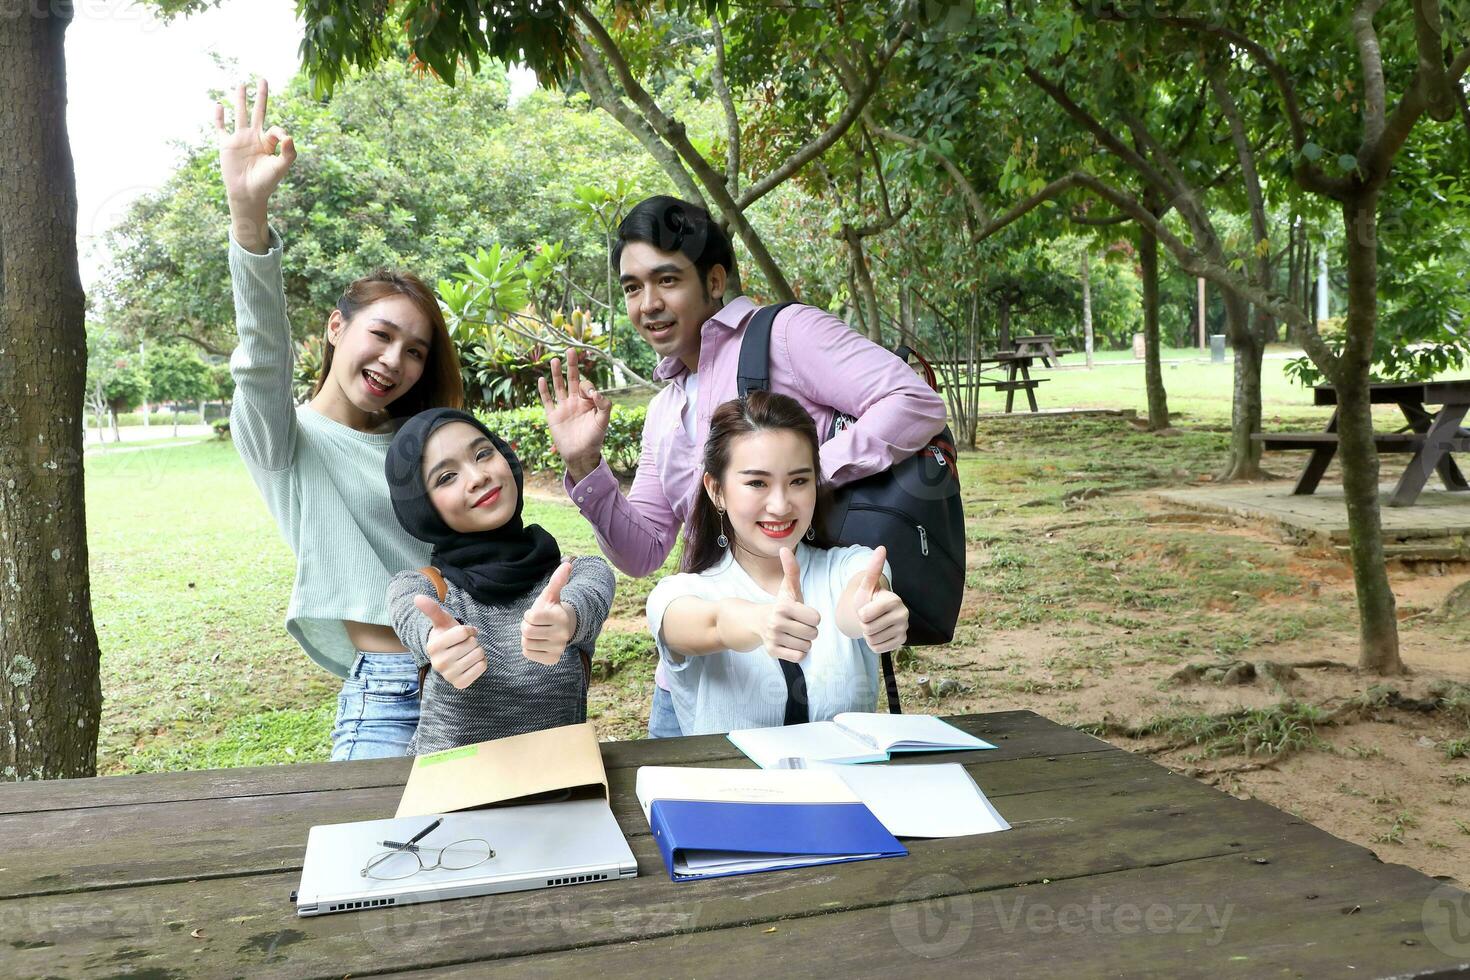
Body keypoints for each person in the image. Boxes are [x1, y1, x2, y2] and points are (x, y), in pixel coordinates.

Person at [537, 195, 946, 737]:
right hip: (700, 675)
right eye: (633, 287)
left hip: (814, 653)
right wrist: (586, 463)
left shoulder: (787, 335)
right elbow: (644, 552)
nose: (648, 304)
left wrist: (805, 475)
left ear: (713, 281)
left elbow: (913, 402)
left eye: (667, 280)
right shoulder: (666, 406)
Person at [218, 79, 464, 759]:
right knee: (373, 864)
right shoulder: (286, 445)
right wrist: (249, 214)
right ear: (335, 328)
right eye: (380, 336)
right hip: (391, 694)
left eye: (415, 352)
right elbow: (261, 356)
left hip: (479, 684)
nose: (395, 361)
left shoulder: (418, 444)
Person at [646, 392, 909, 735]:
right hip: (729, 789)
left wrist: (871, 614)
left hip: (846, 788)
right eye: (757, 482)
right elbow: (712, 623)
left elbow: (855, 605)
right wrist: (760, 619)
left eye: (799, 481)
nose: (781, 505)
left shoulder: (852, 565)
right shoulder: (680, 594)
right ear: (716, 490)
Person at [383, 410, 614, 754]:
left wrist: (565, 619)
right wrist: (435, 640)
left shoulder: (572, 577)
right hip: (452, 800)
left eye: (483, 454)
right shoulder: (428, 590)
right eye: (446, 477)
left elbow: (592, 590)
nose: (477, 476)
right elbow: (407, 609)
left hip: (558, 790)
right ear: (421, 506)